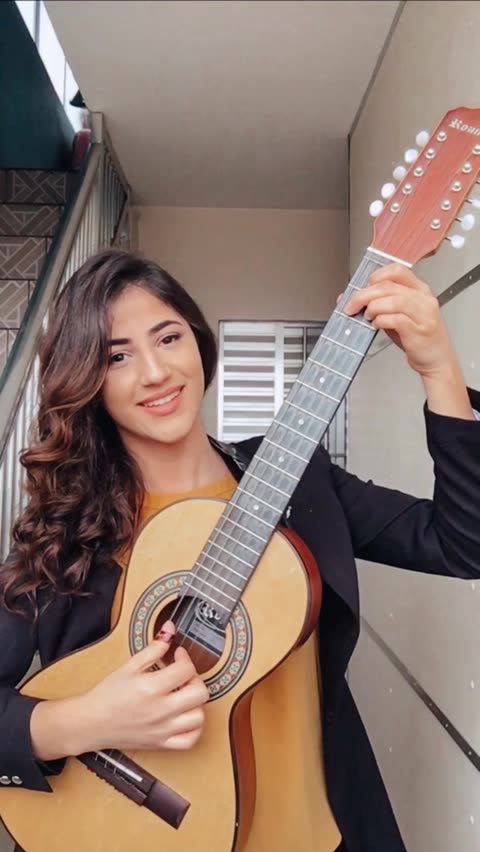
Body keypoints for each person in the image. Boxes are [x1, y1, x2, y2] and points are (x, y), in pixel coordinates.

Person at [1, 249, 479, 852]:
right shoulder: (65, 535)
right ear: (87, 381)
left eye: (168, 337)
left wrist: (438, 368)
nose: (155, 372)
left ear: (198, 342)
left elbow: (463, 543)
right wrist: (81, 722)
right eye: (117, 356)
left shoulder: (299, 482)